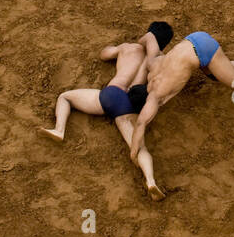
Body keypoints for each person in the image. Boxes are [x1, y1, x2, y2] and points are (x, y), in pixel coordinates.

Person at [40, 23, 172, 201]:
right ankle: (150, 181)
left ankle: (59, 129)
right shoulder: (161, 61)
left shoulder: (129, 48)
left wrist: (117, 49)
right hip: (131, 105)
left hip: (112, 94)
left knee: (65, 97)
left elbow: (104, 55)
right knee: (139, 146)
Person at [127, 32, 234, 163]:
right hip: (194, 38)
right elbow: (150, 38)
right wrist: (138, 43)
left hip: (203, 50)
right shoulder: (152, 64)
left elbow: (141, 122)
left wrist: (133, 154)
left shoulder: (154, 97)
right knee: (216, 73)